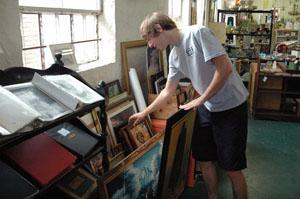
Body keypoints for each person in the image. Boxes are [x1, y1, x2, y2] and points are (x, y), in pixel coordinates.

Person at [128, 12, 249, 199]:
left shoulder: (198, 33)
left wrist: (201, 99)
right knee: (204, 159)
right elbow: (167, 92)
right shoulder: (174, 56)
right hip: (208, 107)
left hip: (231, 106)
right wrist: (144, 113)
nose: (150, 45)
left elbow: (225, 68)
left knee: (232, 167)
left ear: (159, 29)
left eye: (150, 39)